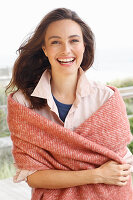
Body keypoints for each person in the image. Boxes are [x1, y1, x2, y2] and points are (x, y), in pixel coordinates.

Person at [6, 8, 133, 200]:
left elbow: (120, 169)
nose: (66, 50)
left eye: (74, 40)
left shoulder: (106, 99)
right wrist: (96, 174)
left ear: (84, 46)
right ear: (45, 49)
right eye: (55, 42)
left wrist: (58, 170)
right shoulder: (23, 104)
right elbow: (32, 175)